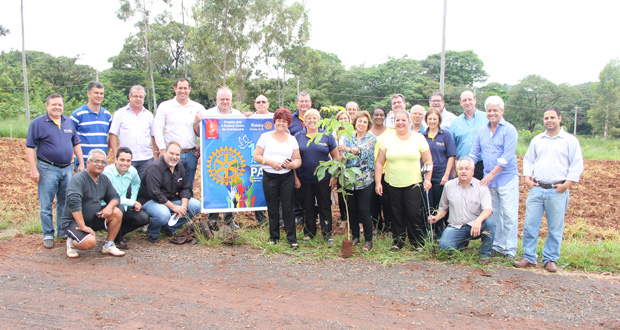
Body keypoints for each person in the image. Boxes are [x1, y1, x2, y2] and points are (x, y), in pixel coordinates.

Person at [515, 106, 584, 272]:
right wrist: (527, 178)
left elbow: (577, 163)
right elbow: (529, 160)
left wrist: (567, 184)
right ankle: (529, 257)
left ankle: (551, 258)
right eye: (546, 118)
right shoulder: (538, 140)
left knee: (555, 227)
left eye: (552, 117)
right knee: (530, 224)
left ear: (559, 118)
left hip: (557, 189)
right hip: (537, 188)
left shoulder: (569, 140)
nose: (549, 121)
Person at [25, 94, 84, 248]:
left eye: (60, 105)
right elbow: (30, 147)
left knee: (65, 202)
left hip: (66, 168)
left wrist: (81, 163)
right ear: (47, 106)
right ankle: (48, 234)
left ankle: (62, 231)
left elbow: (76, 143)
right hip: (47, 168)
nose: (57, 107)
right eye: (54, 104)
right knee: (46, 203)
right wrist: (33, 169)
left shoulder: (68, 122)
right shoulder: (38, 123)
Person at [469, 96, 519, 259]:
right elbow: (474, 153)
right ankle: (496, 246)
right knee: (494, 213)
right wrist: (467, 167)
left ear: (502, 111)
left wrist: (491, 174)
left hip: (506, 178)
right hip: (489, 180)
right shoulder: (482, 131)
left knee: (509, 214)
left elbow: (506, 157)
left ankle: (510, 249)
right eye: (489, 110)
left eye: (495, 110)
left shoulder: (509, 130)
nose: (492, 113)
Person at [375, 110, 432, 250]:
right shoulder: (387, 139)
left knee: (413, 213)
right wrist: (378, 182)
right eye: (397, 120)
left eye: (403, 120)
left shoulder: (419, 138)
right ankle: (398, 241)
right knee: (396, 212)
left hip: (413, 183)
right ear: (394, 123)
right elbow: (379, 163)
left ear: (409, 122)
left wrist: (428, 179)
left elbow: (428, 160)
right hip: (392, 182)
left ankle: (417, 242)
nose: (400, 123)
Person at [59, 149, 125, 258]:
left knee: (117, 211)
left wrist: (109, 207)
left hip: (93, 218)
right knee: (89, 242)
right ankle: (71, 243)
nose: (100, 164)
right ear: (88, 162)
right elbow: (74, 203)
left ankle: (109, 245)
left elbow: (115, 197)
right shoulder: (78, 179)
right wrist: (82, 226)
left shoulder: (103, 179)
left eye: (103, 162)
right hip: (74, 222)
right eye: (96, 161)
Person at [429, 158, 495, 264]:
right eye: (460, 169)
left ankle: (484, 255)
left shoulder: (481, 186)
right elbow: (443, 209)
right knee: (444, 247)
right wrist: (436, 217)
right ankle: (462, 243)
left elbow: (488, 210)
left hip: (475, 226)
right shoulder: (449, 186)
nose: (463, 171)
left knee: (490, 224)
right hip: (456, 226)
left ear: (472, 171)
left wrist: (478, 221)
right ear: (457, 171)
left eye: (467, 169)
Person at [253, 108, 302, 249]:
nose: (281, 124)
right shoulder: (265, 137)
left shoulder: (292, 139)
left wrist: (293, 164)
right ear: (274, 121)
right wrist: (270, 162)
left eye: (285, 122)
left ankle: (292, 238)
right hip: (270, 176)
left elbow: (298, 159)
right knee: (273, 207)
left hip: (287, 177)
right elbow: (256, 156)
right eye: (279, 121)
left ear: (288, 124)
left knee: (288, 208)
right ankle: (273, 236)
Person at [138, 141, 201, 243]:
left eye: (177, 154)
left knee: (196, 206)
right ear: (165, 152)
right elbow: (155, 193)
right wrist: (174, 207)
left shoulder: (179, 166)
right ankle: (153, 232)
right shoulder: (155, 167)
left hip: (169, 198)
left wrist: (183, 207)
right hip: (150, 200)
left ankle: (168, 227)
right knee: (164, 213)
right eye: (171, 153)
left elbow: (185, 187)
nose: (174, 157)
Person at [294, 109, 339, 243]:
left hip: (324, 178)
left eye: (315, 118)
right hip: (304, 178)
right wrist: (295, 177)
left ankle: (327, 234)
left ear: (319, 120)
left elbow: (336, 157)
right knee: (307, 206)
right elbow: (294, 158)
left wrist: (334, 176)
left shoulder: (327, 136)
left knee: (324, 205)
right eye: (309, 118)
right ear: (305, 121)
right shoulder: (298, 136)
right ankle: (309, 233)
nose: (312, 121)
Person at [153, 78, 207, 189]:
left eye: (185, 88)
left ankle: (186, 206)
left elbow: (206, 130)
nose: (183, 91)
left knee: (188, 186)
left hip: (191, 154)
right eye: (180, 88)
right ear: (175, 89)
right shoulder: (165, 106)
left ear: (190, 89)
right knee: (168, 185)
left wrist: (201, 146)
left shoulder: (198, 108)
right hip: (171, 154)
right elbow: (157, 129)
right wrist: (162, 150)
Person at [204, 87, 244, 228]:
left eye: (227, 99)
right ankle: (212, 219)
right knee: (213, 186)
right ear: (217, 100)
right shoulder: (207, 114)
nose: (225, 101)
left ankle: (229, 219)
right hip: (214, 158)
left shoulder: (239, 115)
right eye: (222, 99)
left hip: (232, 158)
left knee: (231, 186)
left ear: (231, 100)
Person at [340, 111, 376, 251]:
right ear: (355, 122)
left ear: (368, 125)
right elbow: (343, 156)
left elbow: (364, 151)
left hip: (365, 180)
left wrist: (348, 149)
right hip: (349, 179)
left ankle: (368, 240)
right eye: (359, 121)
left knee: (364, 210)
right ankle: (355, 236)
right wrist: (341, 156)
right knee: (352, 210)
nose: (361, 124)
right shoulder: (348, 137)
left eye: (365, 122)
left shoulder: (371, 138)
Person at [103, 147, 151, 250]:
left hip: (124, 205)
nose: (125, 163)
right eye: (122, 160)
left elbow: (136, 183)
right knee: (118, 208)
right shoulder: (107, 173)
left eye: (128, 160)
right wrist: (132, 202)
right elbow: (110, 197)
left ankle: (115, 232)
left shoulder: (132, 171)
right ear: (115, 159)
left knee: (144, 218)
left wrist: (133, 200)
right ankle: (118, 238)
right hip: (108, 206)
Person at [109, 85, 158, 178]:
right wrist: (116, 155)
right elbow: (112, 134)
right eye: (135, 96)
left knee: (145, 187)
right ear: (129, 97)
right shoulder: (120, 114)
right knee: (126, 187)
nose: (138, 99)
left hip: (146, 158)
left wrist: (156, 153)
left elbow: (154, 135)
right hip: (126, 159)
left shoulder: (149, 115)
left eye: (141, 97)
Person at [422, 108, 456, 237]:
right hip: (426, 176)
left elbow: (451, 155)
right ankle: (427, 232)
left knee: (440, 205)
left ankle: (440, 232)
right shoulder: (422, 136)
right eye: (430, 118)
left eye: (435, 119)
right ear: (426, 120)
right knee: (427, 204)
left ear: (439, 120)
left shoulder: (445, 135)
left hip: (440, 175)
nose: (432, 121)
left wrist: (447, 175)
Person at [71, 81, 112, 170]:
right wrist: (79, 160)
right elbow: (70, 137)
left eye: (101, 93)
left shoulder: (107, 115)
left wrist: (106, 152)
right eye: (96, 93)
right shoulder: (78, 114)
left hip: (101, 163)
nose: (99, 96)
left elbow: (111, 135)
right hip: (85, 163)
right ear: (88, 94)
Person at [288, 91, 314, 224]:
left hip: (312, 159)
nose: (304, 104)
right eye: (301, 101)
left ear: (310, 103)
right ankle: (298, 214)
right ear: (297, 103)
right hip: (295, 158)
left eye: (306, 101)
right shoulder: (290, 119)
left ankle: (312, 215)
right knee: (297, 187)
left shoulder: (316, 119)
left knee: (312, 188)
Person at [450, 90, 488, 179]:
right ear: (460, 103)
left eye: (470, 99)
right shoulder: (455, 123)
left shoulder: (486, 118)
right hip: (463, 167)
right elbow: (451, 150)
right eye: (464, 100)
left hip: (482, 165)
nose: (467, 102)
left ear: (475, 100)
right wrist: (453, 170)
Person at [369, 106, 394, 235]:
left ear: (385, 117)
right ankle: (377, 226)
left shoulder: (391, 132)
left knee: (387, 201)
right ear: (372, 116)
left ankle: (389, 227)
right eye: (376, 115)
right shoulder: (367, 132)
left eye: (381, 115)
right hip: (370, 172)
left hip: (386, 171)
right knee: (373, 202)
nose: (379, 117)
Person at [250, 94, 273, 224]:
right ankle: (261, 219)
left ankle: (277, 219)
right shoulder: (248, 118)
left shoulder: (275, 118)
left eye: (264, 102)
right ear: (255, 105)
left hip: (271, 161)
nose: (261, 104)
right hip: (254, 158)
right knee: (256, 186)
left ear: (268, 104)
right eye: (258, 102)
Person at [334, 111, 351, 228]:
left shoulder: (352, 133)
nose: (343, 120)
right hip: (339, 168)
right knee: (341, 194)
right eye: (341, 118)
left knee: (352, 194)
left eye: (345, 118)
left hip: (351, 167)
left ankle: (353, 218)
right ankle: (344, 218)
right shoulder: (334, 134)